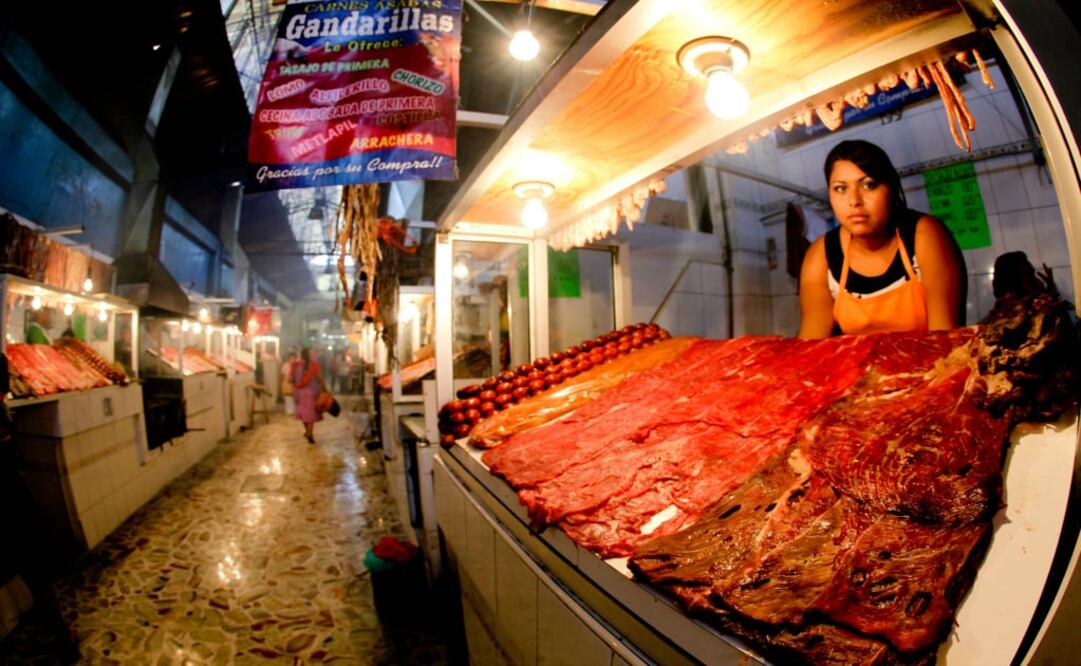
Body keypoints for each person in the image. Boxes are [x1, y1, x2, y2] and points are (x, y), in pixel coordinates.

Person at [798, 140, 966, 338]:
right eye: (840, 188)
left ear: (892, 189)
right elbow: (811, 347)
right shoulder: (822, 254)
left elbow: (946, 341)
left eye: (869, 185)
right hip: (855, 368)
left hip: (930, 367)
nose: (854, 201)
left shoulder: (924, 235)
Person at [292, 344, 326, 444]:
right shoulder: (314, 365)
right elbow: (320, 379)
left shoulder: (296, 365)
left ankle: (307, 431)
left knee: (304, 414)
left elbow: (290, 379)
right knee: (311, 414)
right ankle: (310, 433)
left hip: (300, 393)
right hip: (312, 393)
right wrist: (325, 389)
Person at [281, 349, 298, 416]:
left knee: (295, 397)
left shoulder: (298, 365)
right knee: (288, 397)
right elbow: (282, 375)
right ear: (288, 358)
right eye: (291, 358)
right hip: (287, 383)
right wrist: (282, 382)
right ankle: (289, 411)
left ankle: (295, 410)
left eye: (294, 358)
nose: (292, 359)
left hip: (296, 383)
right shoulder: (285, 365)